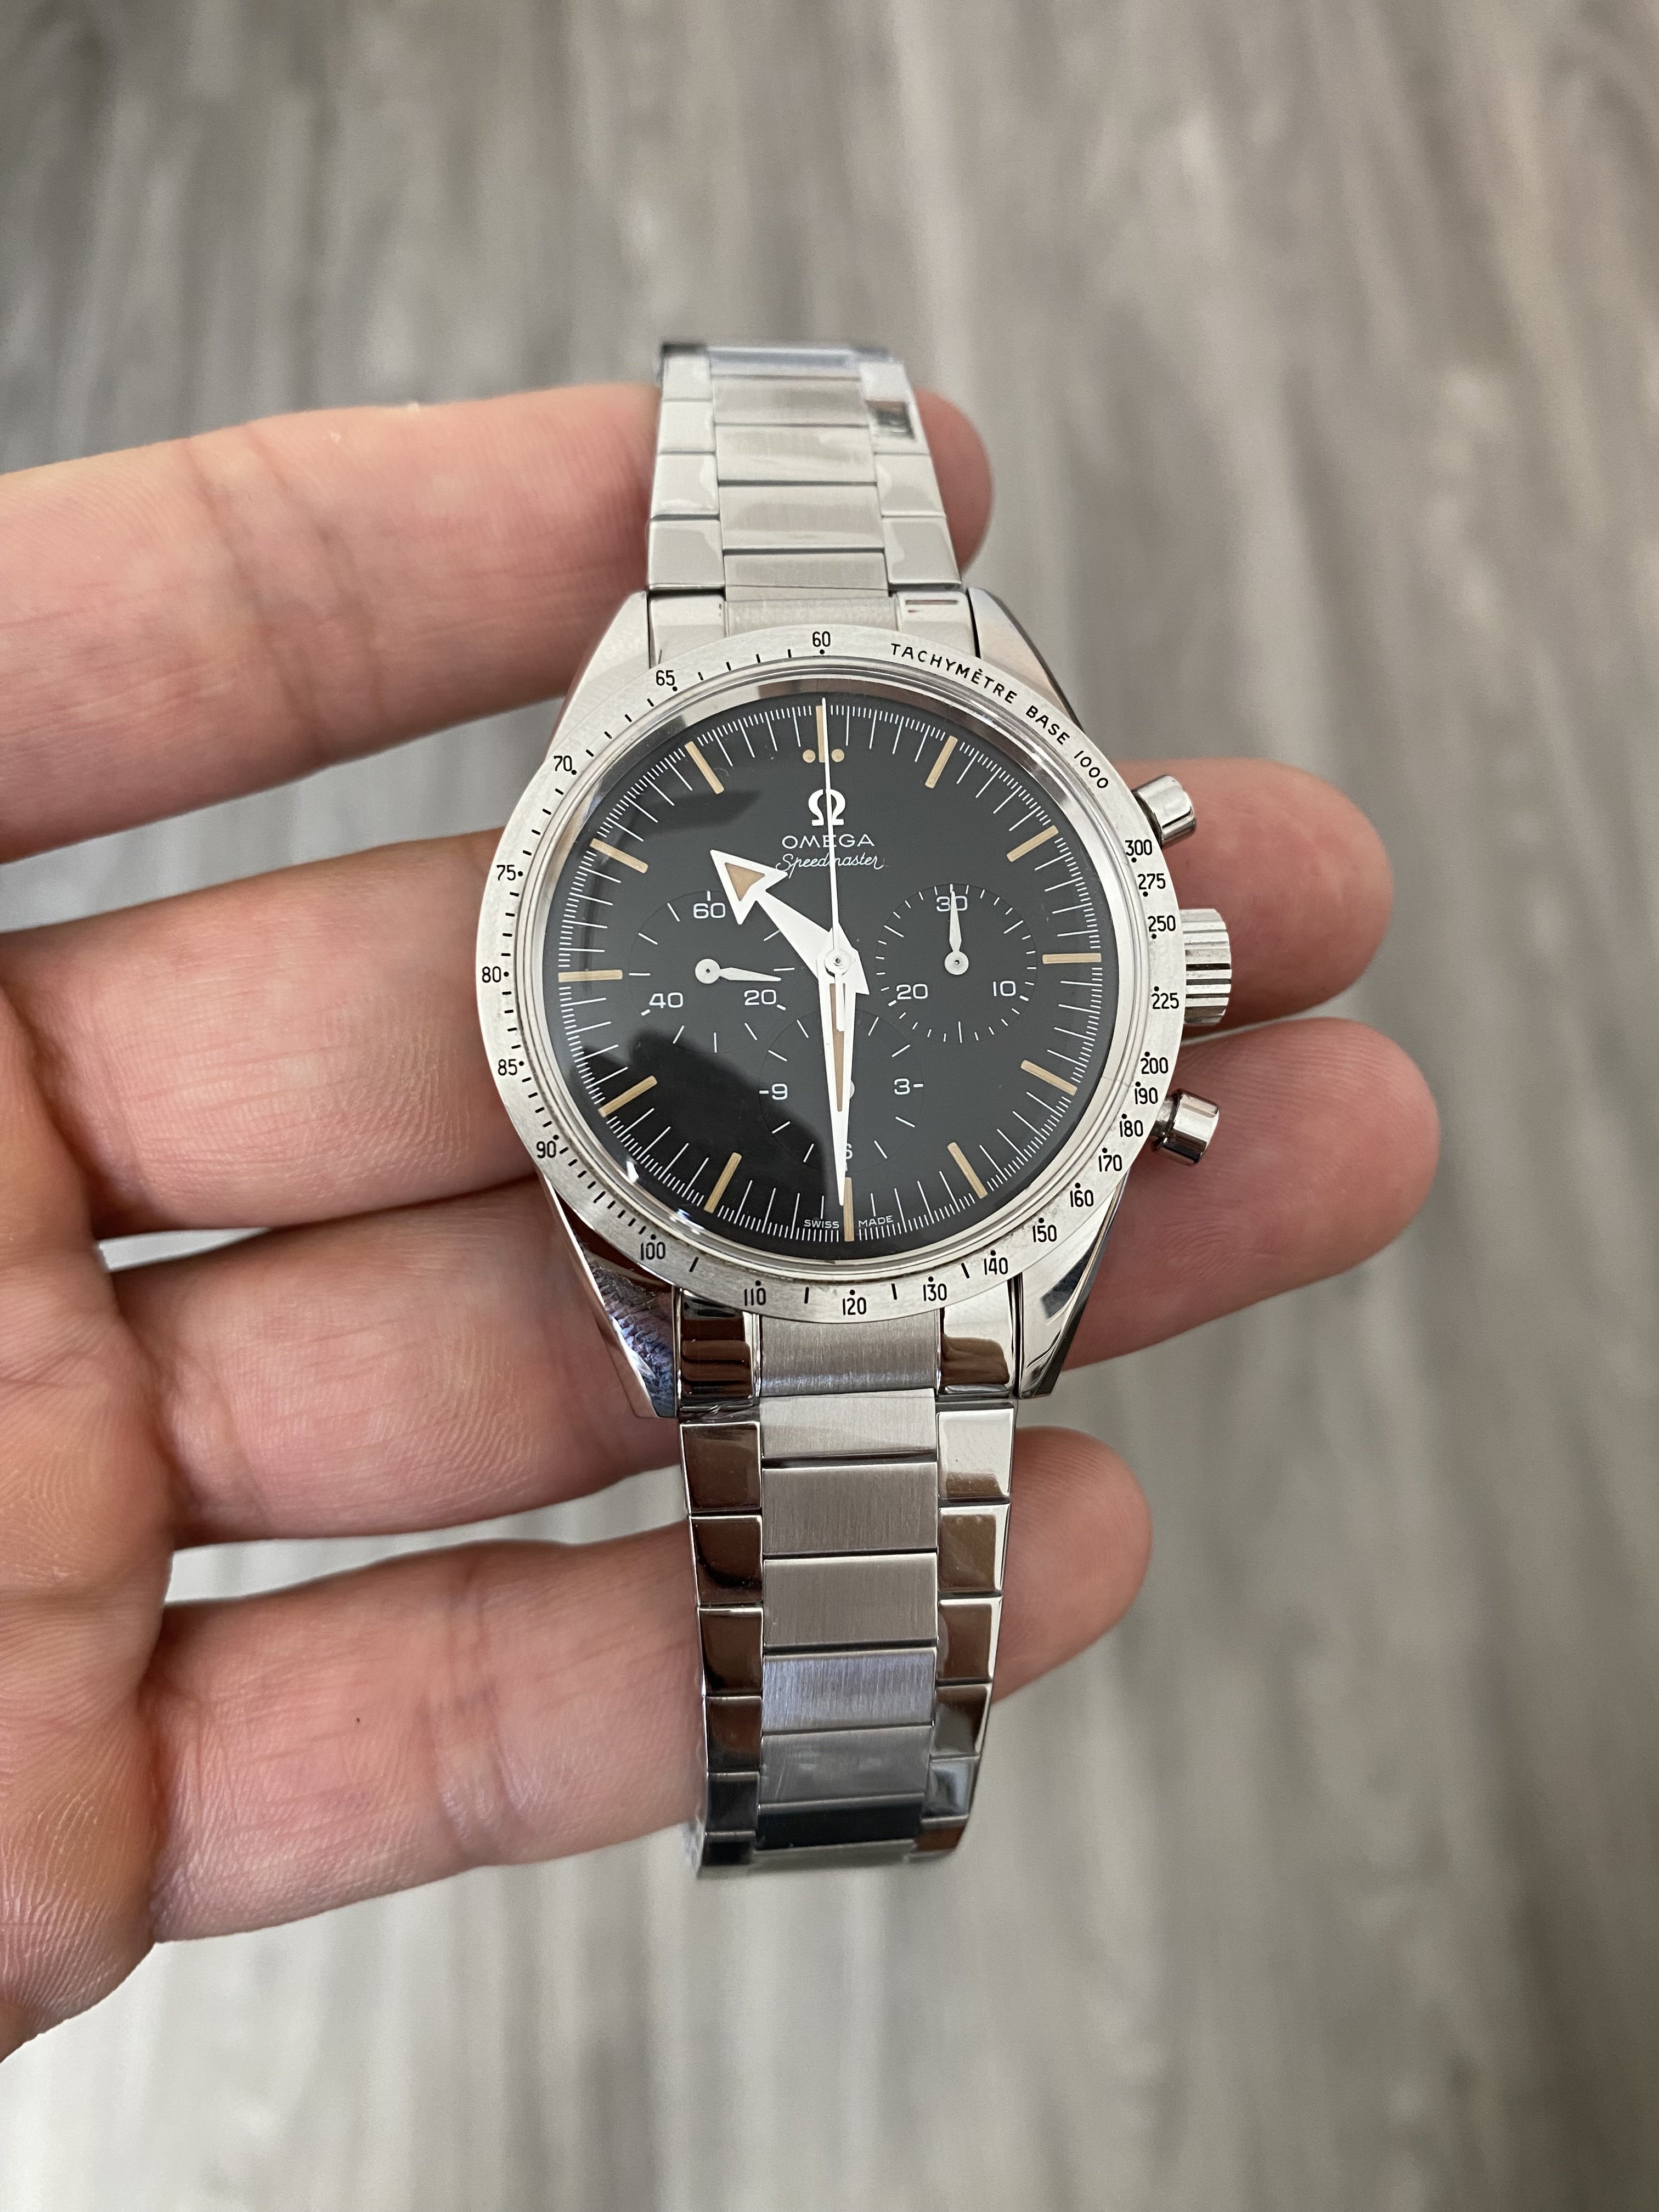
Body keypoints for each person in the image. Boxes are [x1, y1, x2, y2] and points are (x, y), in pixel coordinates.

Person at [0, 382, 1437, 2053]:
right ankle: (845, 1773)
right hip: (747, 1221)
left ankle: (850, 1773)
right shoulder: (627, 917)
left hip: (921, 1228)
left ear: (1160, 967)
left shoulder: (1037, 921)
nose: (840, 963)